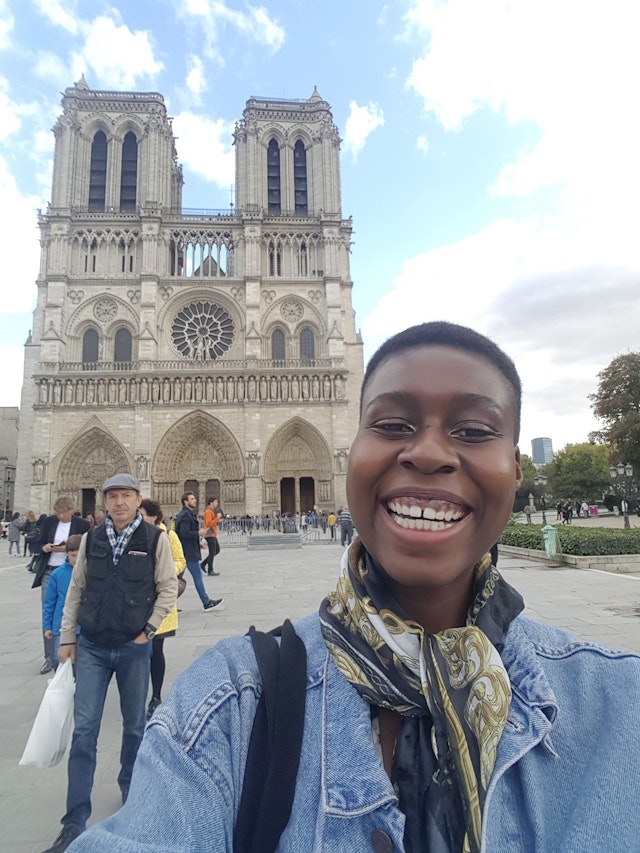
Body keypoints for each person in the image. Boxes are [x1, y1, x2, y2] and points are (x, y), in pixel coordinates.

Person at [65, 323, 640, 852]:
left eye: (473, 430)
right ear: (352, 458)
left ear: (516, 467)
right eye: (392, 426)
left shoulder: (618, 701)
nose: (429, 453)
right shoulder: (232, 704)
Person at [41, 474, 177, 853]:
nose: (119, 502)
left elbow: (168, 586)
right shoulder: (91, 540)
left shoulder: (155, 539)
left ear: (138, 501)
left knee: (135, 726)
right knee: (84, 731)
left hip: (134, 648)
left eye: (127, 496)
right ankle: (73, 821)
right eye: (113, 496)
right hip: (94, 647)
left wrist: (148, 631)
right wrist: (67, 637)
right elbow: (76, 589)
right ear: (104, 504)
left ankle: (131, 793)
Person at [139, 498, 186, 721]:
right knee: (139, 651)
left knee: (156, 650)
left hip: (160, 601)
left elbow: (181, 562)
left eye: (141, 514)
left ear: (153, 516)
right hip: (136, 601)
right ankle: (137, 692)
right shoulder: (132, 535)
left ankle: (155, 696)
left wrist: (163, 570)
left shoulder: (168, 535)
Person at [33, 498, 90, 675]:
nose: (61, 515)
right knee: (49, 609)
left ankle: (80, 652)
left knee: (76, 608)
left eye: (64, 512)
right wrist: (45, 547)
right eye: (59, 512)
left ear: (72, 510)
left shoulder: (82, 524)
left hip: (75, 570)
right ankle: (49, 657)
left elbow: (89, 544)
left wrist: (69, 549)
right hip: (51, 570)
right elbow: (37, 542)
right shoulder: (49, 522)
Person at [174, 492, 224, 613]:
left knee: (175, 579)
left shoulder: (185, 514)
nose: (195, 500)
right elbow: (184, 533)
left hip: (185, 550)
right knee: (197, 578)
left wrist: (198, 542)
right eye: (192, 499)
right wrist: (198, 533)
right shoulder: (185, 516)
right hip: (188, 553)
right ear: (186, 502)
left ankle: (169, 605)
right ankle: (206, 603)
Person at [42, 534, 82, 669]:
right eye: (73, 555)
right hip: (61, 626)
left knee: (80, 663)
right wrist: (47, 626)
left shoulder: (89, 572)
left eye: (79, 555)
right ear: (66, 554)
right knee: (60, 662)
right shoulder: (57, 574)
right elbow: (49, 602)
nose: (76, 560)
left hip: (83, 627)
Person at [200, 496, 221, 576]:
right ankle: (210, 570)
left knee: (217, 550)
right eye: (215, 501)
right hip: (209, 534)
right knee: (212, 552)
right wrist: (217, 518)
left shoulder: (211, 511)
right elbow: (209, 523)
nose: (217, 503)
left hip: (212, 534)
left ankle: (203, 564)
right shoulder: (208, 511)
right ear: (211, 503)